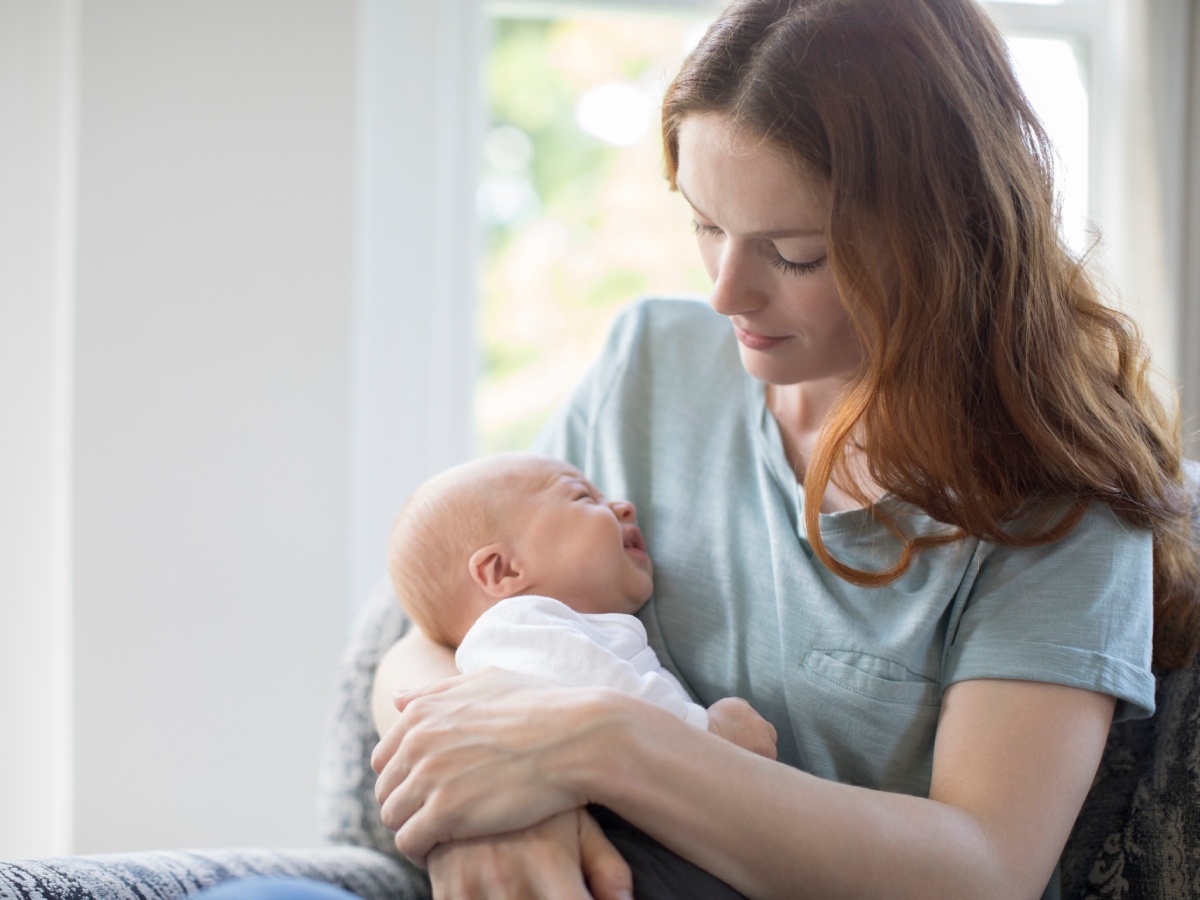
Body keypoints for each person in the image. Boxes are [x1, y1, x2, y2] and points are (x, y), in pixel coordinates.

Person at [369, 0, 1200, 898]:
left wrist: (603, 744)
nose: (727, 293)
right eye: (706, 225)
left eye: (796, 254)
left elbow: (982, 869)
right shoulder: (648, 365)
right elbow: (429, 640)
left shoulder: (1063, 503)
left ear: (946, 235)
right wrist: (500, 814)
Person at [379, 452, 778, 754]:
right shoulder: (518, 629)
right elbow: (608, 712)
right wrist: (712, 735)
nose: (624, 506)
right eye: (583, 496)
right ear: (502, 570)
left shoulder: (539, 631)